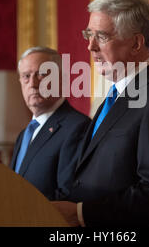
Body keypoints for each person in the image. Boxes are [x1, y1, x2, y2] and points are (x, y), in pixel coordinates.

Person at [52, 0, 149, 226]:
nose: (90, 46)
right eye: (89, 34)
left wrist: (80, 213)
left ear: (136, 43)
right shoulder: (115, 96)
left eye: (101, 36)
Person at [10, 47, 91, 201]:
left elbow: (67, 194)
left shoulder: (77, 127)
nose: (32, 84)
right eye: (26, 76)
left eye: (42, 74)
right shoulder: (24, 135)